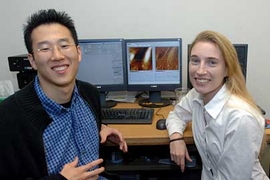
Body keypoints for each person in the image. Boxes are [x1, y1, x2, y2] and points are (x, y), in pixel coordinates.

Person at [0, 9, 128, 180]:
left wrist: (100, 128)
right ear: (32, 61)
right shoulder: (9, 116)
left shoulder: (89, 94)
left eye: (64, 46)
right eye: (45, 48)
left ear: (79, 52)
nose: (57, 55)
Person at [166, 30, 269, 180]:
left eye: (211, 62)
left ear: (227, 69)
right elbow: (176, 116)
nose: (200, 71)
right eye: (195, 60)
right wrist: (176, 138)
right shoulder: (197, 94)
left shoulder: (241, 119)